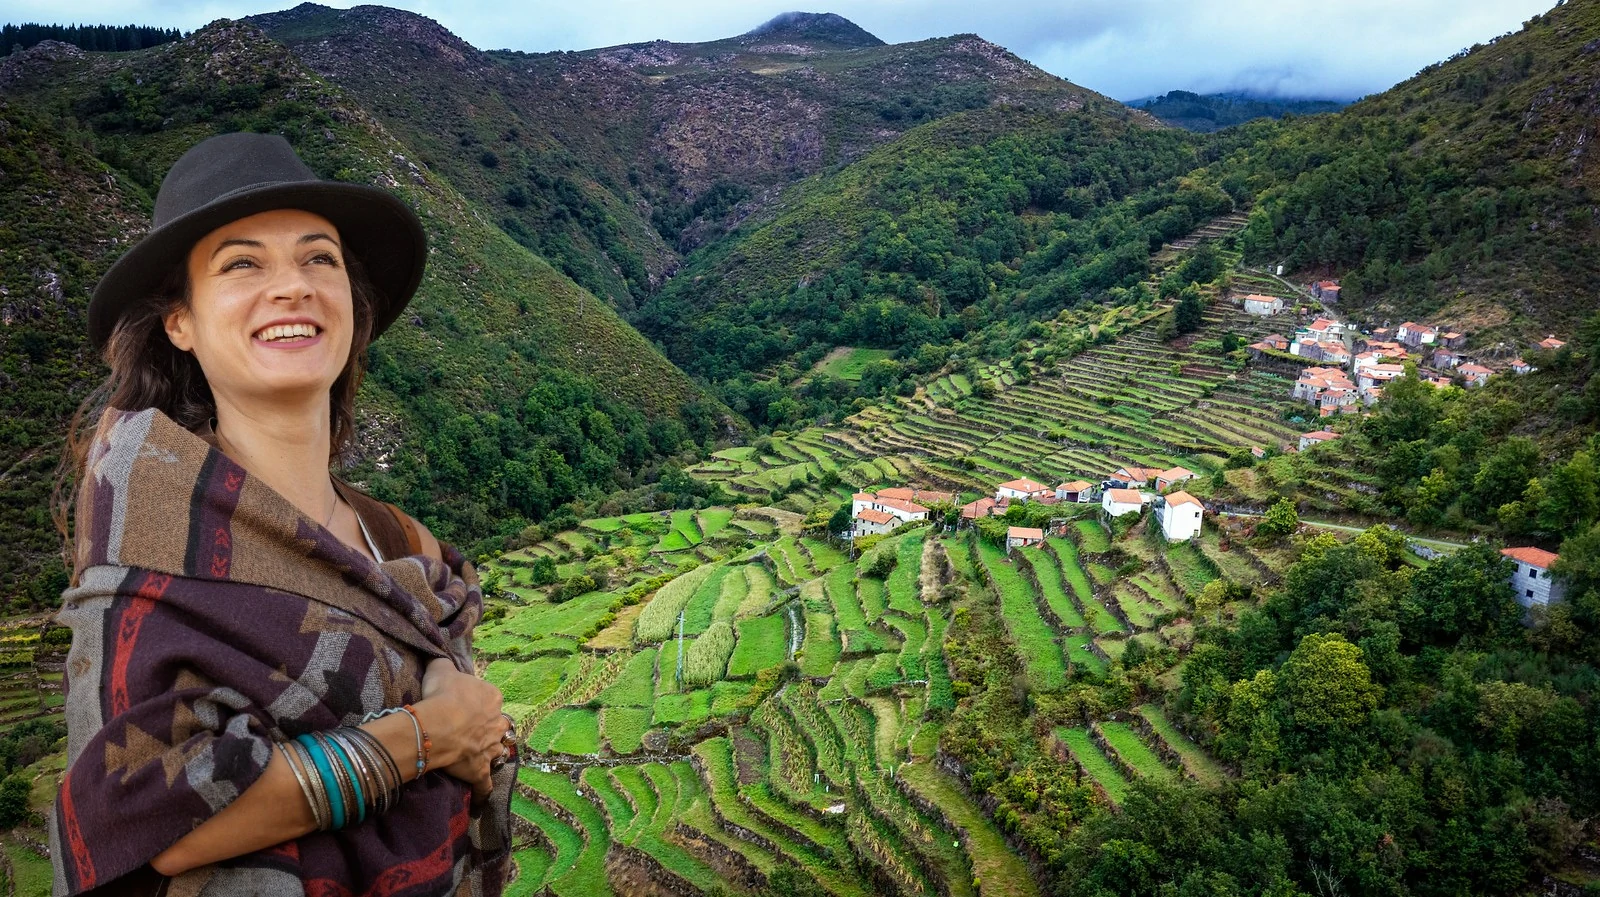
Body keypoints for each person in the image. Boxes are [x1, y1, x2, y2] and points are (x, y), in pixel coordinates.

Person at [49, 132, 515, 896]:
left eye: (318, 258)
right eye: (242, 264)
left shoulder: (401, 539)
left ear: (351, 304)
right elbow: (158, 815)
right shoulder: (155, 540)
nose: (292, 286)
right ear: (181, 323)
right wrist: (427, 737)